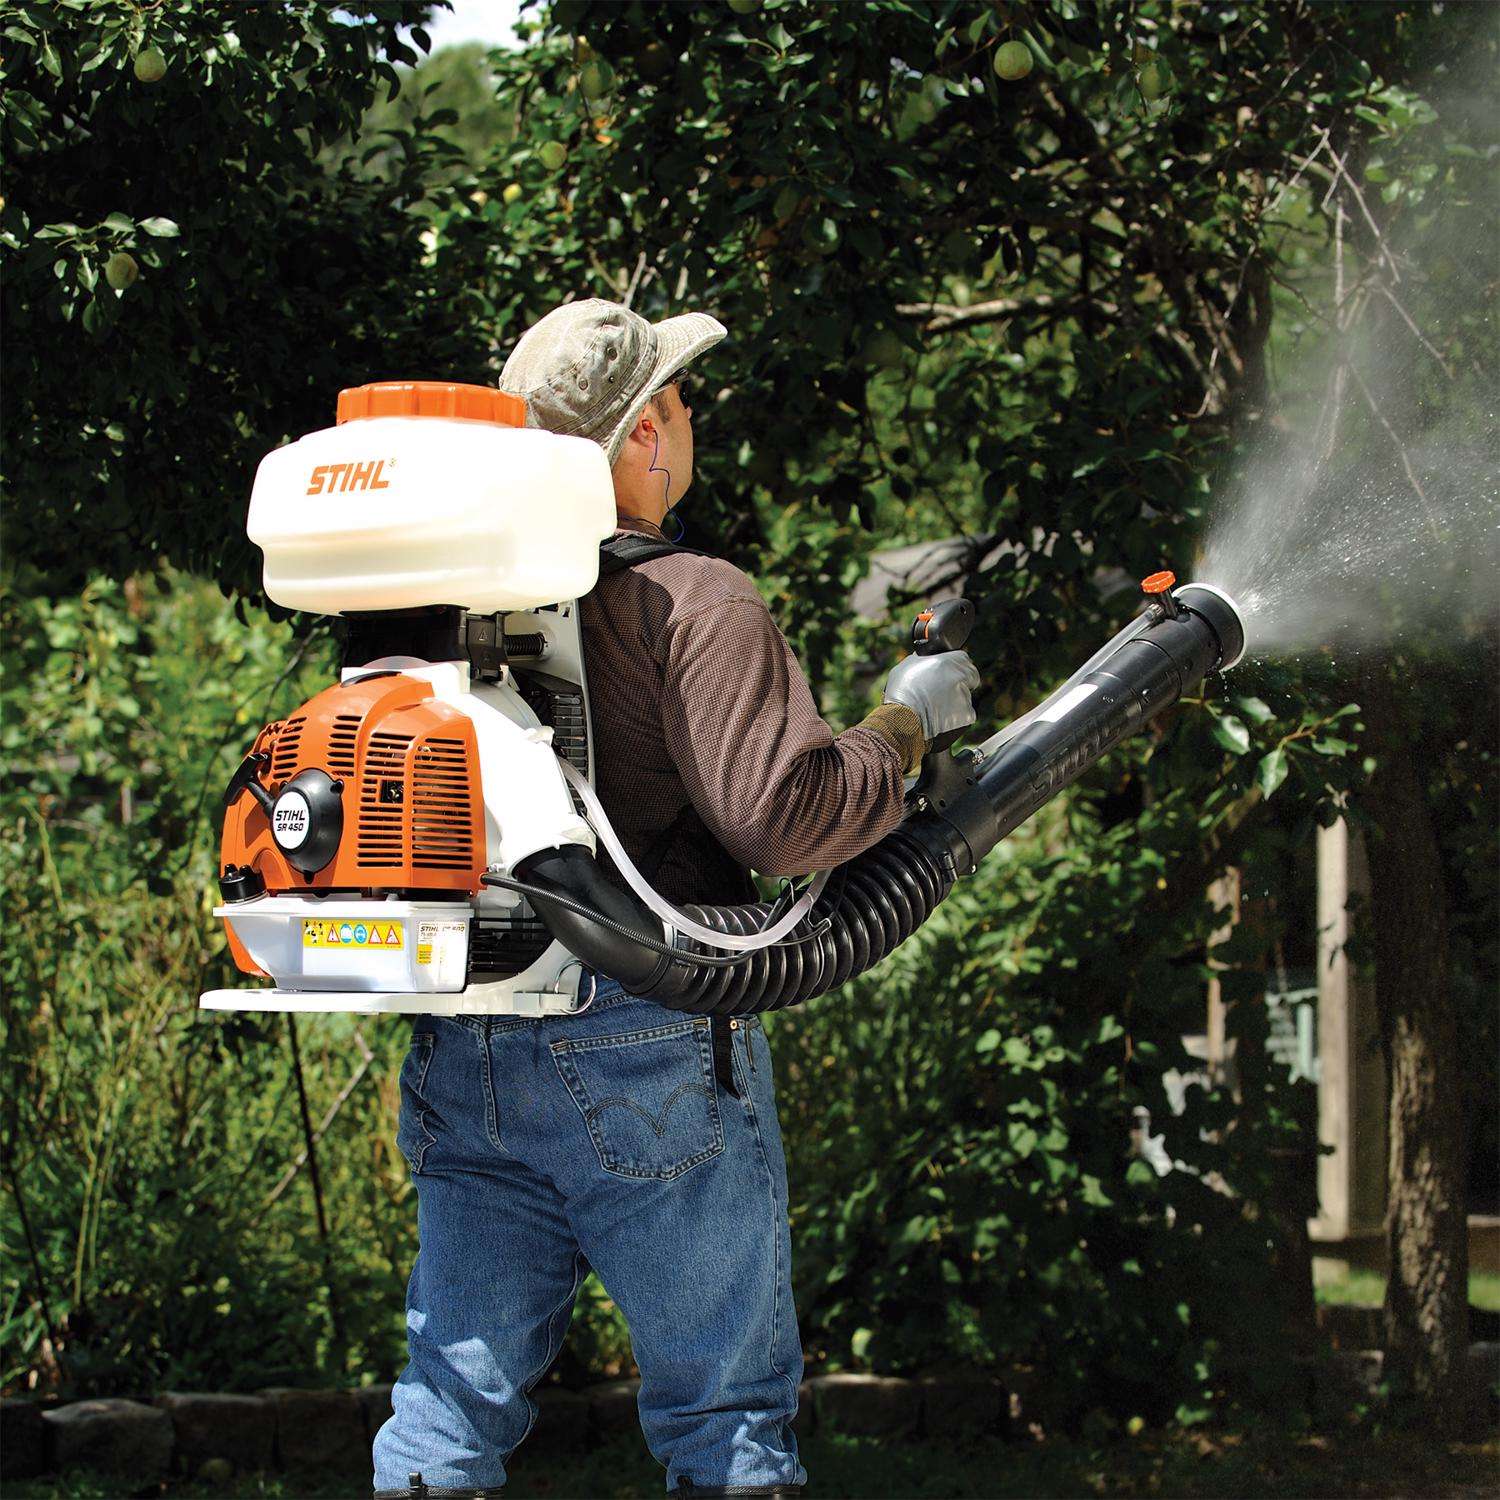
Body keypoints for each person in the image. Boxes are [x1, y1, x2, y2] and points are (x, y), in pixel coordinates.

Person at [372, 299, 980, 1499]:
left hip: (475, 1026)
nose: (690, 417)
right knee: (726, 1415)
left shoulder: (452, 603)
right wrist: (909, 724)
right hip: (646, 1029)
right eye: (682, 398)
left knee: (447, 1401)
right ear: (648, 432)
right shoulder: (694, 595)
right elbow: (785, 814)